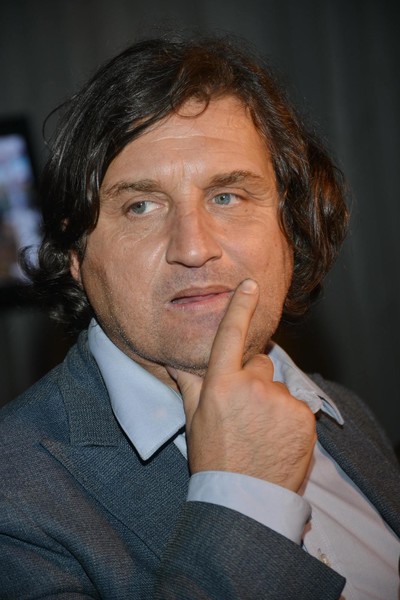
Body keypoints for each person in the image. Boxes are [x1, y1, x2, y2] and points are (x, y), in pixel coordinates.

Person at [0, 33, 399, 600]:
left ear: (292, 226)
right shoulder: (13, 494)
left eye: (227, 196)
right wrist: (246, 500)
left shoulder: (348, 416)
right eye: (141, 206)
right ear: (76, 257)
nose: (193, 247)